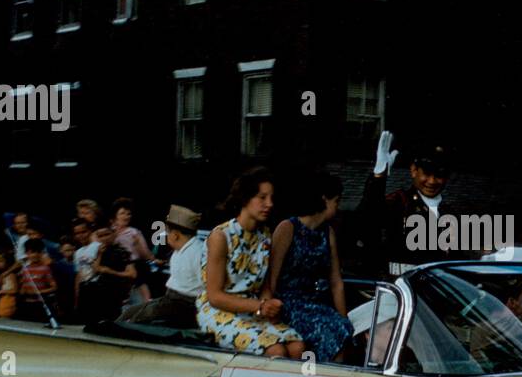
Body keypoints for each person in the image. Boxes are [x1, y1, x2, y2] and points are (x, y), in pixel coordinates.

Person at [198, 168, 305, 357]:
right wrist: (259, 307)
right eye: (262, 197)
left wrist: (268, 305)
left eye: (271, 198)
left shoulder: (264, 236)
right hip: (218, 311)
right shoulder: (221, 236)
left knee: (297, 346)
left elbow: (263, 284)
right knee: (276, 350)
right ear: (245, 198)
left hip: (252, 311)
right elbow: (215, 296)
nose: (269, 204)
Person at [268, 174, 353, 361]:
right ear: (324, 199)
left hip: (312, 301)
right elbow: (271, 277)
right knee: (328, 329)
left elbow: (336, 281)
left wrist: (343, 317)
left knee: (343, 328)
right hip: (287, 302)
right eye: (336, 201)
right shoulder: (288, 228)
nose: (337, 207)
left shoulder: (327, 233)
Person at [360, 131, 467, 276]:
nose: (432, 181)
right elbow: (367, 217)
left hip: (434, 290)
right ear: (414, 170)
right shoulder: (399, 202)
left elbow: (458, 262)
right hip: (401, 289)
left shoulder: (449, 214)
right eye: (427, 173)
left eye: (439, 175)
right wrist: (379, 176)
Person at [118, 205, 204, 328]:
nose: (166, 235)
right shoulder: (178, 250)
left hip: (185, 304)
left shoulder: (198, 252)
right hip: (170, 299)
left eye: (167, 232)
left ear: (175, 235)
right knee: (128, 313)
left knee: (135, 320)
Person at [76, 226, 136, 324]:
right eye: (100, 236)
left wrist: (110, 271)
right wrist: (99, 254)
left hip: (115, 288)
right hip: (101, 287)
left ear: (113, 234)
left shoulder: (122, 252)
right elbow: (96, 269)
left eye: (107, 234)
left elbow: (132, 274)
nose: (104, 238)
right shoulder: (101, 251)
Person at [110, 197, 153, 305]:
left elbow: (146, 254)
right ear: (115, 215)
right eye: (122, 213)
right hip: (114, 267)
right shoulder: (108, 231)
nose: (126, 216)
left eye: (128, 214)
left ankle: (146, 303)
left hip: (134, 266)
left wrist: (137, 243)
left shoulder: (134, 232)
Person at [19, 238, 58, 321]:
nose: (35, 255)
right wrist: (22, 291)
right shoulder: (25, 269)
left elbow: (54, 287)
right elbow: (23, 285)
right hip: (27, 304)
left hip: (40, 305)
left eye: (38, 252)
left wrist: (39, 292)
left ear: (41, 253)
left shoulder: (45, 268)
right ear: (27, 253)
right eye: (32, 252)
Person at [0, 252, 18, 319]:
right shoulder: (1, 276)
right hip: (3, 301)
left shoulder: (11, 275)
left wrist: (2, 291)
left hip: (9, 301)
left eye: (1, 261)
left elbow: (15, 290)